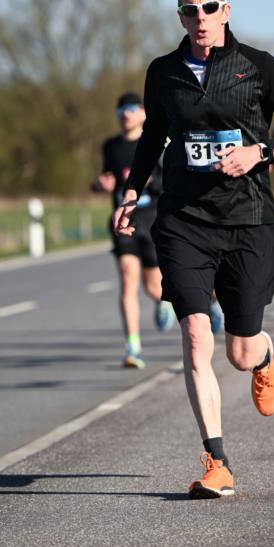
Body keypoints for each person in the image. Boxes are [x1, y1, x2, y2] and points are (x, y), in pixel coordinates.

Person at [113, 0, 274, 498]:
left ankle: (263, 357)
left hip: (247, 219)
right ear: (180, 18)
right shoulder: (164, 72)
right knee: (197, 335)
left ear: (226, 11)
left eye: (208, 7)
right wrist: (131, 194)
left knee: (239, 353)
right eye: (188, 9)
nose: (198, 16)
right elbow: (153, 136)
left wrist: (259, 153)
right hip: (184, 221)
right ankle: (217, 461)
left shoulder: (259, 67)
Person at [93, 92, 175, 369]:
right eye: (121, 109)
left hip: (151, 221)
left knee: (155, 286)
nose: (125, 114)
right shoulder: (111, 147)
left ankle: (166, 301)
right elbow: (108, 179)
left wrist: (151, 183)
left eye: (131, 108)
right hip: (123, 221)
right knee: (128, 281)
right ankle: (133, 346)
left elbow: (170, 181)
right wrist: (100, 185)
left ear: (143, 113)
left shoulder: (156, 142)